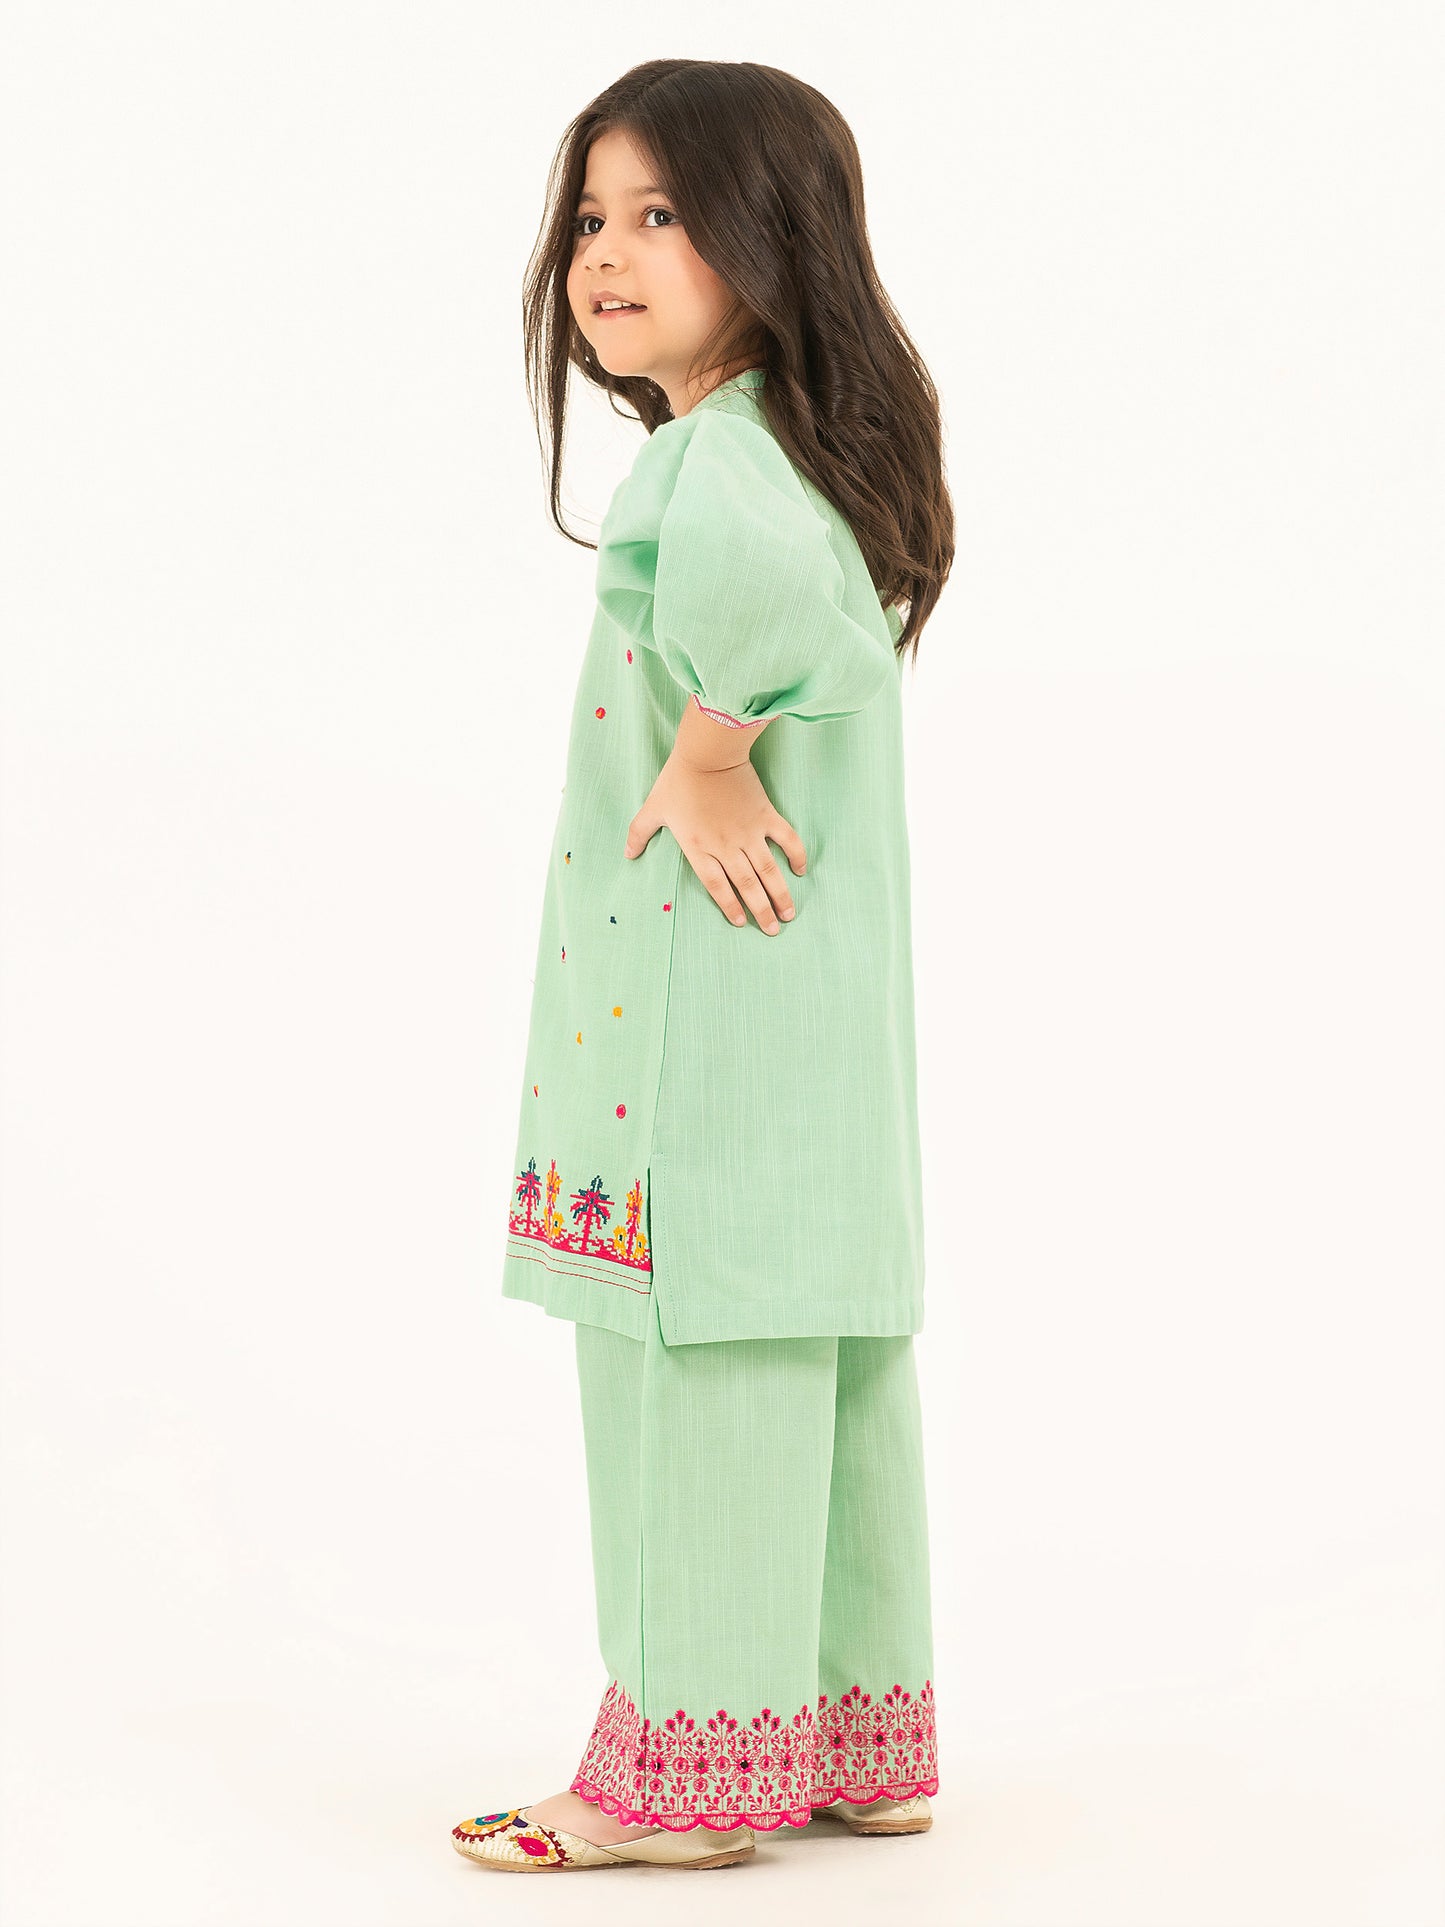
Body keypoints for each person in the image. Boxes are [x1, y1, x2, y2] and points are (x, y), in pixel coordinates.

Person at [452, 57, 955, 1875]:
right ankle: (849, 1741)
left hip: (701, 1040)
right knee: (822, 1378)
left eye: (660, 214)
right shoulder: (810, 451)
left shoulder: (712, 457)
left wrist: (715, 742)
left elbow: (771, 611)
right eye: (591, 217)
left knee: (691, 1385)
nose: (603, 253)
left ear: (771, 235)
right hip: (811, 1049)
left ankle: (676, 1783)